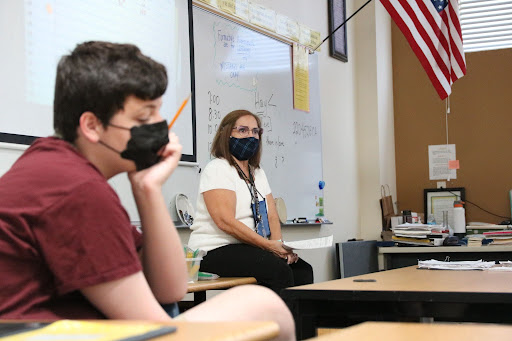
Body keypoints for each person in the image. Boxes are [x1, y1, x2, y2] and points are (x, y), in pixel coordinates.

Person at [0, 41, 295, 341]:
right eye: (143, 118)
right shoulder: (76, 189)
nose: (159, 128)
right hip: (36, 334)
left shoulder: (52, 161)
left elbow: (170, 290)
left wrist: (148, 189)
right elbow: (153, 325)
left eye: (158, 114)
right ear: (91, 125)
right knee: (265, 305)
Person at [187, 110, 314, 295]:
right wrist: (269, 246)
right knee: (278, 271)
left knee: (302, 270)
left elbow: (271, 215)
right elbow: (225, 221)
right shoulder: (218, 169)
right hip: (214, 249)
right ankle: (276, 323)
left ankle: (298, 324)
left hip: (249, 248)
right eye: (243, 130)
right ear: (226, 134)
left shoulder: (258, 173)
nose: (251, 136)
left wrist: (280, 247)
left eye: (255, 131)